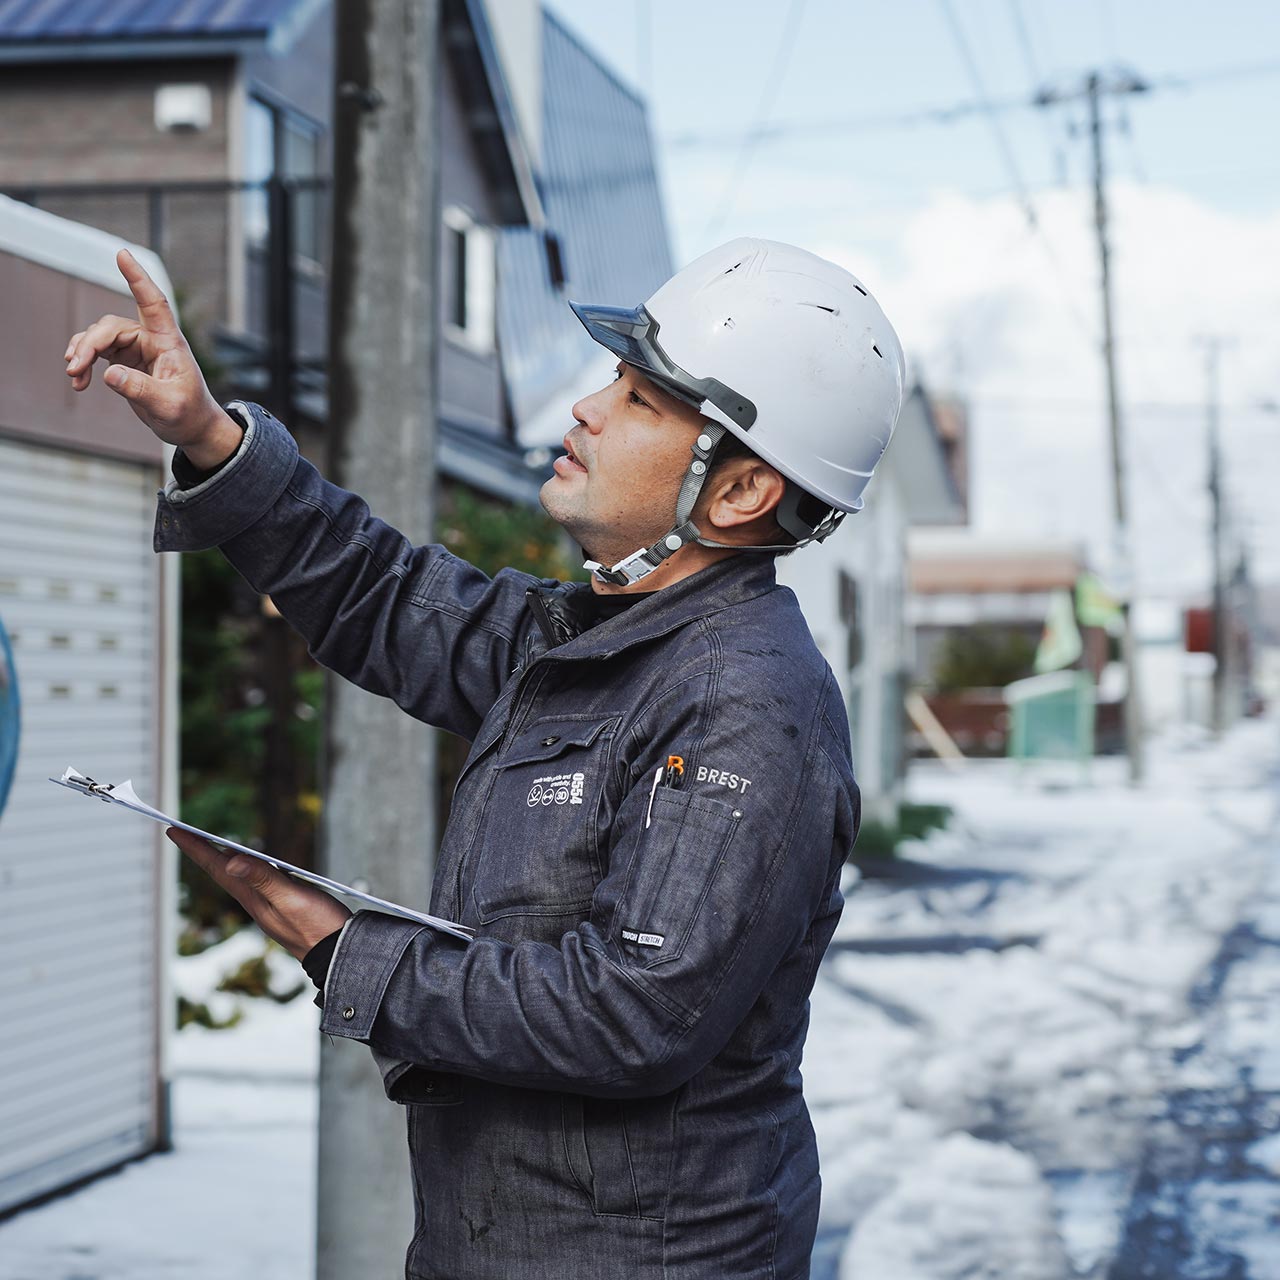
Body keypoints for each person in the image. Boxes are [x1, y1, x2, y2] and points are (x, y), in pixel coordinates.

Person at [65, 237, 904, 1279]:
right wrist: (209, 436)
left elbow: (636, 1012)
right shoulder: (587, 644)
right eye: (614, 380)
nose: (588, 408)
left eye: (641, 401)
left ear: (737, 494)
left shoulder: (741, 700)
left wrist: (346, 950)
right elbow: (381, 596)